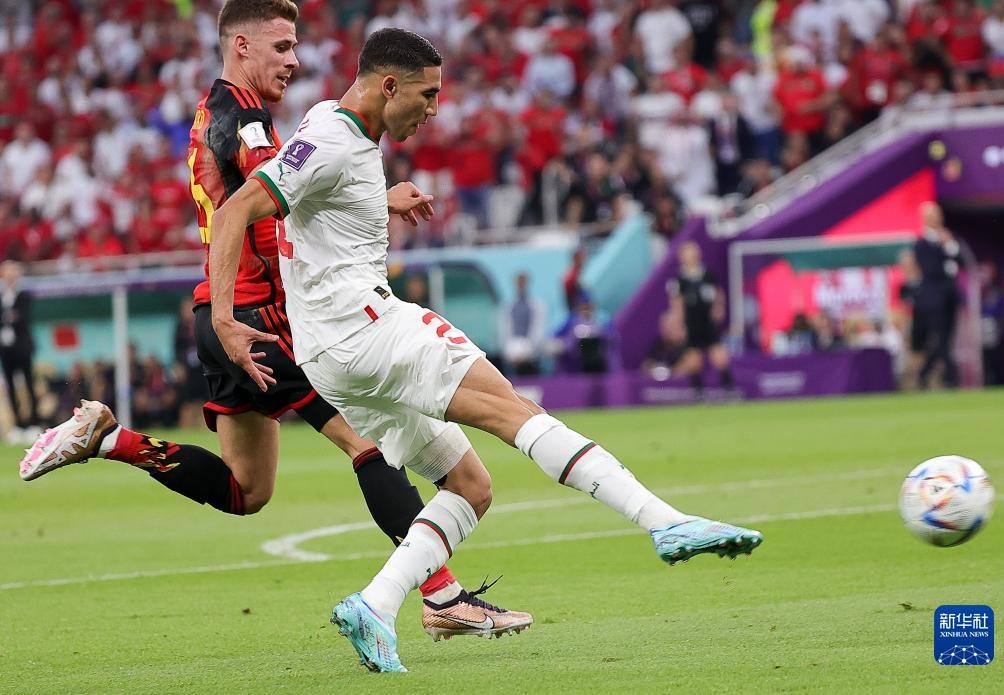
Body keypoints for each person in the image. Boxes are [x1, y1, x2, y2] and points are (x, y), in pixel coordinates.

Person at [210, 28, 762, 673]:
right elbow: (235, 211)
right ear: (389, 85)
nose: (434, 109)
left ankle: (375, 604)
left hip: (331, 359)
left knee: (470, 487)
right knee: (513, 410)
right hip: (368, 329)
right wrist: (223, 318)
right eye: (427, 94)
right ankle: (663, 521)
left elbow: (304, 203)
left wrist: (378, 200)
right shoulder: (334, 138)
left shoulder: (330, 124)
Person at [19, 0, 529, 641]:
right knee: (369, 442)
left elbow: (289, 195)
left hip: (219, 312)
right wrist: (235, 316)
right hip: (256, 316)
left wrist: (377, 199)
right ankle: (443, 596)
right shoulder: (245, 118)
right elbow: (272, 199)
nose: (294, 60)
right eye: (282, 47)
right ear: (241, 46)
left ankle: (110, 439)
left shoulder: (217, 111)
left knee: (246, 490)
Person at [669, 242, 733, 393]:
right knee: (693, 359)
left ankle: (729, 388)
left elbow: (718, 293)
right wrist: (679, 324)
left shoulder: (707, 274)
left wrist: (719, 307)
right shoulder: (679, 279)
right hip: (691, 322)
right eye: (687, 253)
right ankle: (699, 392)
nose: (691, 256)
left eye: (693, 252)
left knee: (719, 356)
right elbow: (676, 303)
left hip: (708, 321)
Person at [913, 202, 963, 388]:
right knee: (940, 338)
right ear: (925, 219)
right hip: (934, 300)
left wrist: (948, 244)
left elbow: (961, 261)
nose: (936, 218)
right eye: (932, 215)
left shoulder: (949, 240)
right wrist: (945, 257)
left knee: (946, 339)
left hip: (950, 297)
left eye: (938, 214)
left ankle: (924, 374)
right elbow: (931, 270)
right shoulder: (921, 244)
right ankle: (952, 378)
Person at [1, 260, 40, 442]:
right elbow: (11, 316)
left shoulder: (24, 294)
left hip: (23, 348)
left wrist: (9, 317)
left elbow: (22, 316)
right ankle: (17, 425)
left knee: (29, 385)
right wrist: (9, 317)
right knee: (10, 386)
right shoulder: (2, 295)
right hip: (6, 349)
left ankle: (34, 422)